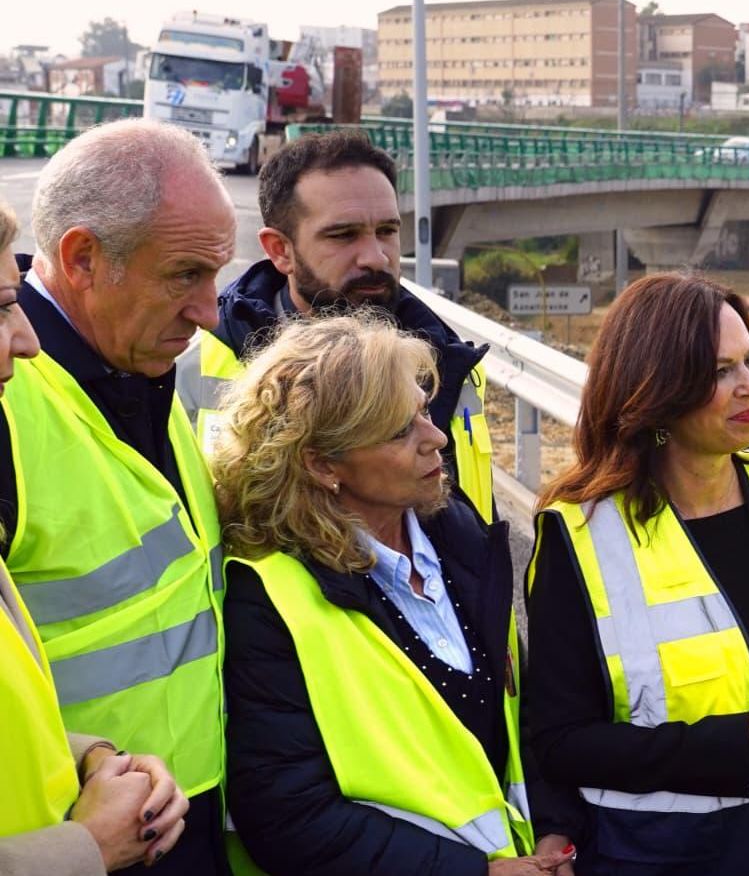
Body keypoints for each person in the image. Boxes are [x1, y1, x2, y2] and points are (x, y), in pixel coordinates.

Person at [210, 311, 579, 875]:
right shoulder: (267, 599)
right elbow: (289, 816)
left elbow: (522, 716)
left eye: (425, 413)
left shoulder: (462, 537)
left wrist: (554, 835)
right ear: (322, 463)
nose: (436, 440)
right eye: (399, 431)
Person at [525, 274, 749, 875]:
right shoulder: (582, 536)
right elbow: (559, 742)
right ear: (658, 388)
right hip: (648, 855)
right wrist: (742, 737)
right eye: (720, 371)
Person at [2, 119, 232, 874]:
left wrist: (103, 758)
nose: (209, 311)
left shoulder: (147, 361)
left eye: (216, 276)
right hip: (70, 840)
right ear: (82, 259)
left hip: (168, 807)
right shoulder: (12, 404)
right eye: (184, 276)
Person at [174, 128, 495, 524]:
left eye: (388, 232)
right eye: (343, 236)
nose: (376, 258)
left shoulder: (449, 364)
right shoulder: (191, 368)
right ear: (280, 250)